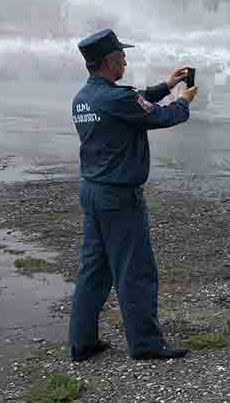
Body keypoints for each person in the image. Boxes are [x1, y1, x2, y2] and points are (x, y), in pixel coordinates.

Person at [69, 29, 197, 362]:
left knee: (94, 270)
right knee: (135, 270)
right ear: (110, 61)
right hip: (119, 198)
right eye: (122, 56)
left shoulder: (85, 97)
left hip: (93, 192)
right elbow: (159, 115)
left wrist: (167, 85)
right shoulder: (116, 99)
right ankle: (146, 344)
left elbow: (137, 101)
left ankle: (82, 343)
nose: (126, 60)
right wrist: (182, 102)